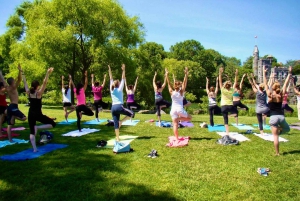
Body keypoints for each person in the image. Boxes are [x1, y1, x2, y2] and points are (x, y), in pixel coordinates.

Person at [22, 68, 57, 152]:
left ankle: (34, 149)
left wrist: (22, 72)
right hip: (38, 114)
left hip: (31, 114)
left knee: (32, 132)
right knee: (52, 124)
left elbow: (25, 82)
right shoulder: (39, 93)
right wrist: (47, 73)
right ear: (37, 86)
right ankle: (37, 127)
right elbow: (45, 82)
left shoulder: (28, 92)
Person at [263, 66, 291, 156]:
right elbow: (286, 84)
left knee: (275, 136)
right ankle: (280, 129)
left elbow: (265, 84)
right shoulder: (281, 95)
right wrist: (289, 73)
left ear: (273, 88)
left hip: (273, 118)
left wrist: (264, 73)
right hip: (281, 117)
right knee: (287, 129)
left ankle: (277, 153)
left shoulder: (270, 95)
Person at [108, 64, 134, 141]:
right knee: (132, 113)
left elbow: (110, 78)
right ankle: (121, 122)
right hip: (119, 106)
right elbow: (123, 78)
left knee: (116, 124)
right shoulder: (120, 89)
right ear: (118, 84)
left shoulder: (111, 89)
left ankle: (117, 138)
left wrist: (109, 69)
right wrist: (123, 69)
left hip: (113, 108)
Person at [166, 68, 192, 140]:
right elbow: (184, 82)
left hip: (173, 110)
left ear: (174, 86)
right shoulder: (181, 92)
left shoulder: (172, 92)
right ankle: (179, 119)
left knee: (175, 124)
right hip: (180, 109)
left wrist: (167, 75)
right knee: (190, 118)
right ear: (180, 86)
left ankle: (176, 138)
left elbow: (168, 84)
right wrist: (186, 74)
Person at [5, 64, 27, 142]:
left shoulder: (7, 87)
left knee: (9, 124)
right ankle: (14, 115)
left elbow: (15, 80)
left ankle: (10, 140)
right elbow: (20, 79)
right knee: (24, 118)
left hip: (10, 106)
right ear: (13, 82)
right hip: (13, 106)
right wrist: (20, 70)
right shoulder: (13, 87)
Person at [218, 67, 238, 135]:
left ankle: (227, 133)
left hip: (223, 106)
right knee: (236, 113)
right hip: (230, 106)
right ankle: (230, 115)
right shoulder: (232, 90)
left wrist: (220, 73)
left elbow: (220, 81)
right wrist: (236, 75)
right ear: (230, 86)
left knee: (225, 120)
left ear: (225, 85)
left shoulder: (222, 89)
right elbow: (235, 82)